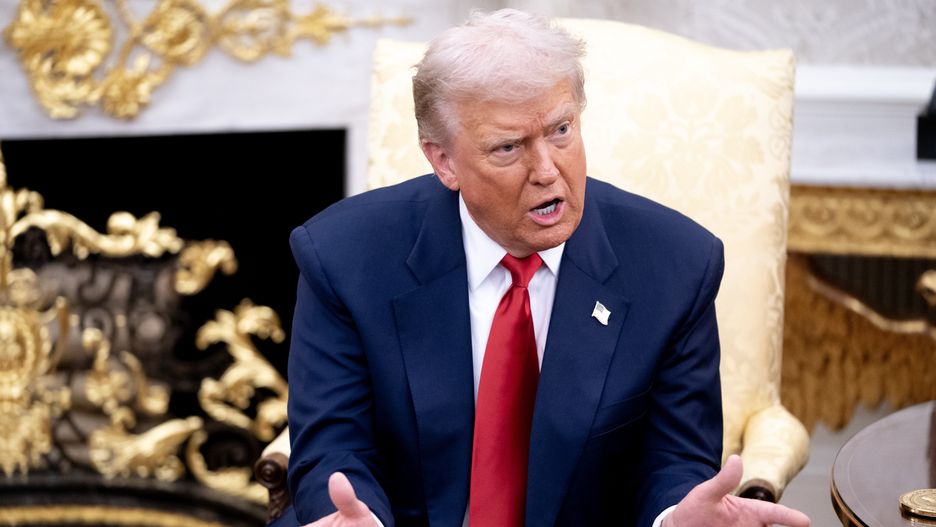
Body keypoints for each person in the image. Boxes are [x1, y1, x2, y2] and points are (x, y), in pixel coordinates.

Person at [280, 8, 811, 527]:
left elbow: (672, 462)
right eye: (508, 147)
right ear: (443, 160)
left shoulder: (675, 266)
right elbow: (334, 444)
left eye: (561, 130)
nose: (547, 171)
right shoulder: (343, 256)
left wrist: (675, 517)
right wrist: (355, 517)